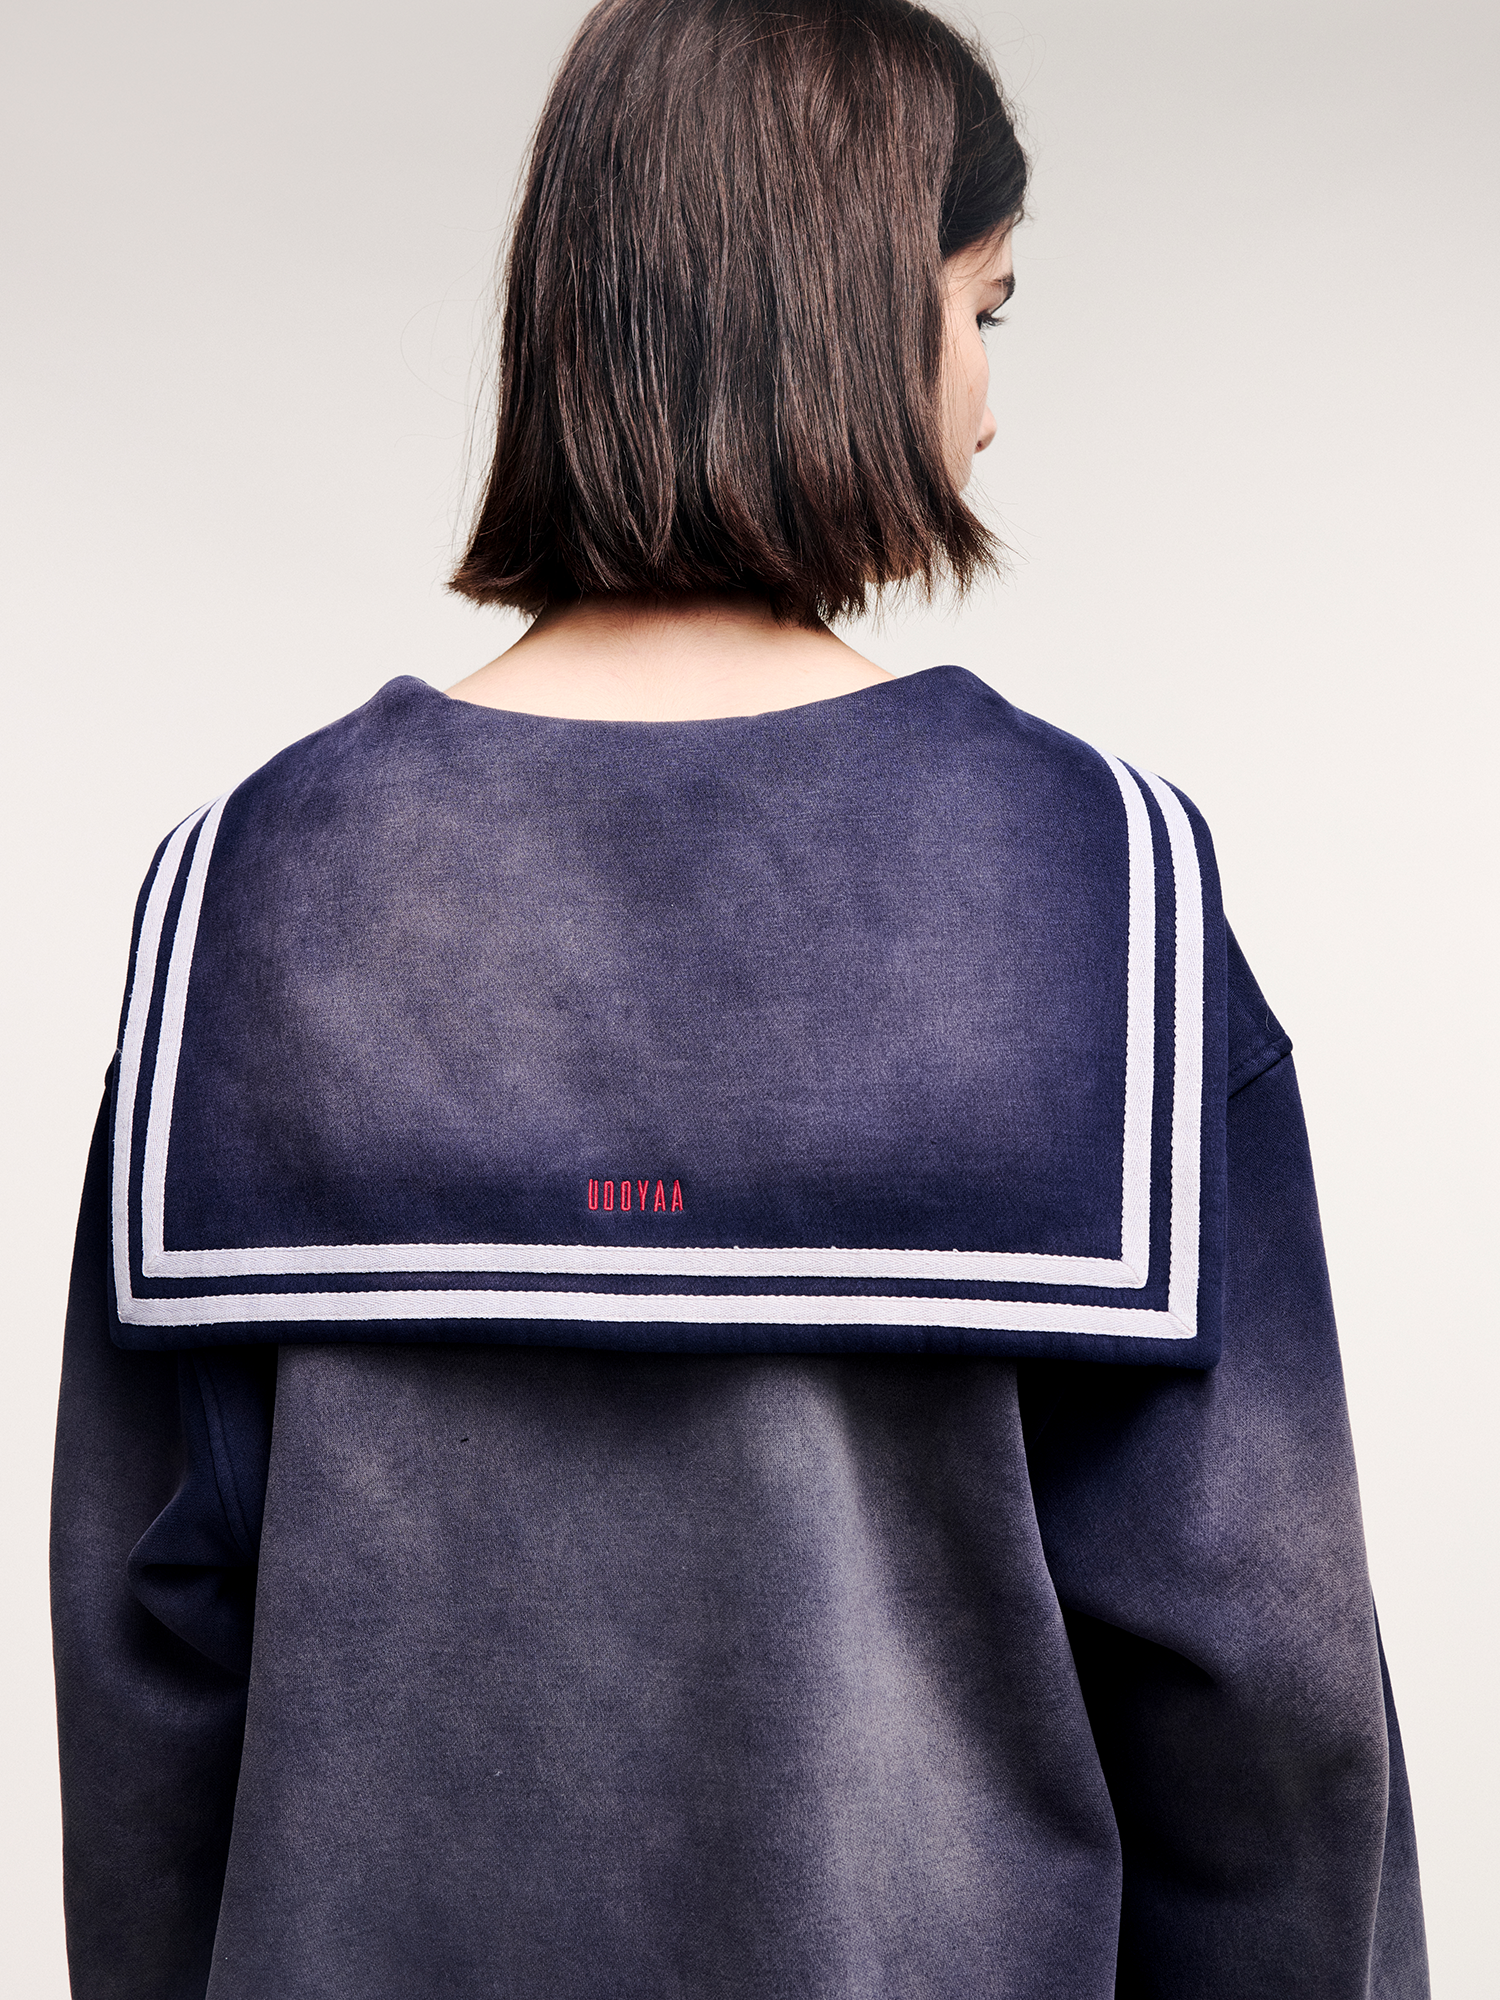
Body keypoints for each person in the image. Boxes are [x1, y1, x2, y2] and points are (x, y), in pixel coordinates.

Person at [49, 1, 1428, 1994]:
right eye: (986, 310)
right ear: (850, 313)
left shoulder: (247, 898)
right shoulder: (1100, 891)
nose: (988, 408)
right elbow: (1268, 1707)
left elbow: (148, 1692)